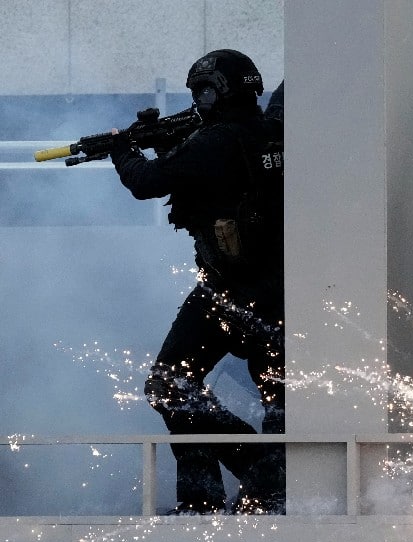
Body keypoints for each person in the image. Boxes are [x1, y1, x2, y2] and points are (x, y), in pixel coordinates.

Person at [109, 49, 285, 515]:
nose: (198, 101)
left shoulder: (217, 140)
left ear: (215, 91)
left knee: (169, 384)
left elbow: (147, 181)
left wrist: (122, 148)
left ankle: (208, 493)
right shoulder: (273, 131)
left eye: (201, 92)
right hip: (278, 292)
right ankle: (266, 486)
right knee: (280, 404)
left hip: (231, 291)